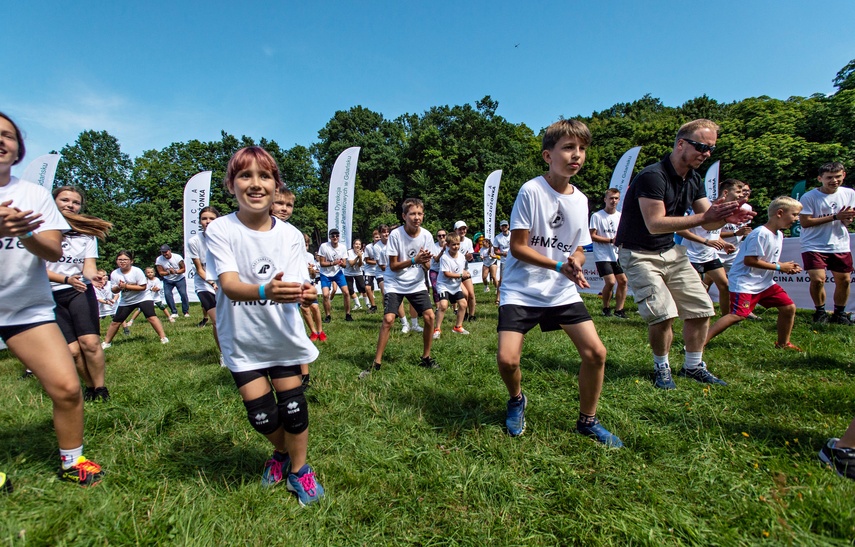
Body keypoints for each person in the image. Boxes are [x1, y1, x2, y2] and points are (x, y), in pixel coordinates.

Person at [204, 146, 324, 505]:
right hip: (242, 340)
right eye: (245, 175)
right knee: (261, 416)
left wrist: (305, 293)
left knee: (293, 408)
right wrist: (265, 289)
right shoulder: (220, 230)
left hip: (281, 337)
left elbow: (299, 284)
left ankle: (299, 472)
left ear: (275, 186)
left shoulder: (290, 235)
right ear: (231, 184)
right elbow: (227, 285)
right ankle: (282, 452)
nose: (255, 184)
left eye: (264, 176)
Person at [497, 119, 621, 446]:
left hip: (559, 290)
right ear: (547, 156)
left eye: (581, 149)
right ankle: (516, 399)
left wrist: (575, 263)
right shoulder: (531, 190)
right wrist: (557, 264)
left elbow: (580, 248)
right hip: (521, 288)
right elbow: (518, 247)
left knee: (596, 353)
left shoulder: (581, 201)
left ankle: (587, 421)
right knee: (507, 360)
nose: (576, 155)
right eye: (568, 148)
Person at [0, 111, 104, 486]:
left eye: (8, 136)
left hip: (25, 308)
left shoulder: (33, 195)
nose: (1, 141)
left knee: (66, 386)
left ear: (18, 150)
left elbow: (51, 251)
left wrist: (23, 232)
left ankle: (72, 461)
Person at [614, 119, 754, 390]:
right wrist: (707, 216)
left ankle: (693, 365)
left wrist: (726, 216)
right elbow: (655, 223)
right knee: (663, 314)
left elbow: (709, 223)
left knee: (702, 308)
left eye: (711, 148)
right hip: (639, 253)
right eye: (702, 146)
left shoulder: (694, 178)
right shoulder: (652, 176)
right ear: (681, 144)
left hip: (670, 251)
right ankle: (661, 367)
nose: (707, 153)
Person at [705, 197, 803, 349]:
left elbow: (766, 260)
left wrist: (785, 267)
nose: (796, 219)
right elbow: (749, 261)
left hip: (764, 283)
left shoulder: (779, 234)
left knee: (788, 308)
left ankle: (783, 343)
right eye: (794, 215)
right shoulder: (760, 234)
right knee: (737, 315)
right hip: (745, 282)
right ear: (780, 213)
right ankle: (699, 342)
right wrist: (779, 267)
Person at [46, 186, 113, 402]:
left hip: (80, 291)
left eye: (75, 202)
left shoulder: (86, 235)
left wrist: (93, 277)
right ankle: (89, 386)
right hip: (50, 294)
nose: (70, 205)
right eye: (64, 200)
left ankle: (101, 389)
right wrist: (65, 279)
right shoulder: (42, 230)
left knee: (90, 343)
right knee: (73, 351)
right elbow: (37, 268)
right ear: (53, 201)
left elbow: (89, 267)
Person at [361, 198, 437, 378]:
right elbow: (393, 266)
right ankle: (376, 363)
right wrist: (414, 260)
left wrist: (425, 262)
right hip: (394, 281)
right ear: (404, 216)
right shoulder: (395, 235)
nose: (416, 217)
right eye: (412, 214)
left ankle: (426, 357)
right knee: (388, 319)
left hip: (416, 283)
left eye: (419, 213)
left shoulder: (426, 235)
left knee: (429, 317)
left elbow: (428, 266)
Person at [798, 161, 855, 325]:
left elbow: (846, 221)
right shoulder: (809, 197)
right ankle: (820, 312)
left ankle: (839, 314)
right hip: (814, 243)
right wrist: (835, 217)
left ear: (843, 175)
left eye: (838, 177)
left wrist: (847, 219)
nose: (834, 181)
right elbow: (805, 222)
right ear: (820, 178)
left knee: (844, 280)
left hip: (839, 242)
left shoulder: (849, 193)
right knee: (818, 280)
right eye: (829, 177)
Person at [676, 179, 741, 314]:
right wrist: (706, 242)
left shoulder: (725, 212)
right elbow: (681, 230)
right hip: (691, 256)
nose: (741, 195)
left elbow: (713, 233)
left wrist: (724, 244)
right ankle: (689, 315)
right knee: (695, 290)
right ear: (725, 192)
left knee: (725, 285)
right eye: (738, 191)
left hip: (710, 256)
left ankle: (726, 317)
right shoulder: (704, 209)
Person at [102, 251, 169, 348]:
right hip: (126, 300)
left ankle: (163, 338)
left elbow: (143, 287)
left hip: (143, 297)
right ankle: (106, 343)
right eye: (120, 260)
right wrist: (119, 287)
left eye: (125, 259)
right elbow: (114, 290)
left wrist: (126, 286)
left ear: (131, 261)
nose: (122, 262)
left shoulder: (137, 271)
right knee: (116, 321)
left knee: (151, 317)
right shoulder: (114, 274)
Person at [187, 206, 222, 362]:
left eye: (211, 218)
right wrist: (212, 283)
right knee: (217, 321)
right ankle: (224, 355)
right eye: (204, 218)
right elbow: (199, 269)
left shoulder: (225, 238)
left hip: (224, 282)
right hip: (205, 284)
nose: (208, 222)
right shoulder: (194, 241)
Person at [589, 188, 628, 318]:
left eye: (616, 198)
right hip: (602, 254)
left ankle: (619, 310)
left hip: (617, 254)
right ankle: (606, 307)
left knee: (623, 281)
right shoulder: (597, 216)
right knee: (610, 282)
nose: (613, 201)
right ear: (605, 199)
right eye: (611, 198)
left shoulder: (620, 216)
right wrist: (610, 240)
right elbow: (592, 236)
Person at [434, 232, 469, 338]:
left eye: (458, 244)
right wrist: (461, 275)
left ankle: (458, 327)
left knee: (463, 304)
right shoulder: (445, 257)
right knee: (443, 305)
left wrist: (466, 273)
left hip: (455, 285)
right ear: (448, 245)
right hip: (444, 285)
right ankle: (437, 329)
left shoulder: (462, 257)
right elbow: (447, 274)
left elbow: (461, 269)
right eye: (453, 244)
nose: (456, 246)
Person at [317, 228, 353, 323]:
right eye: (333, 235)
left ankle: (348, 314)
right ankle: (328, 315)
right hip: (325, 273)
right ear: (330, 237)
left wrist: (340, 263)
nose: (335, 237)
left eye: (337, 235)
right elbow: (322, 263)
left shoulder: (342, 247)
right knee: (325, 295)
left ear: (339, 236)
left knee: (346, 292)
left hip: (337, 272)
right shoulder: (324, 246)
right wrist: (333, 263)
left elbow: (345, 265)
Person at [300, 233, 326, 343]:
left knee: (315, 307)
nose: (304, 247)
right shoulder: (291, 255)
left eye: (306, 245)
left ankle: (320, 331)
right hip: (298, 285)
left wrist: (311, 271)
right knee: (304, 308)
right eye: (302, 244)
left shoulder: (310, 256)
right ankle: (313, 331)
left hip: (308, 284)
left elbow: (313, 275)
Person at [155, 244, 190, 318]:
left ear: (170, 250)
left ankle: (185, 311)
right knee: (168, 295)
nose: (164, 254)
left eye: (166, 252)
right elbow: (160, 272)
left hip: (179, 278)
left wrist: (175, 271)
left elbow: (183, 269)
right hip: (168, 280)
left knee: (183, 294)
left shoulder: (177, 257)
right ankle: (174, 312)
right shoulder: (159, 259)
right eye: (162, 252)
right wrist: (168, 272)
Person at [453, 220, 477, 321]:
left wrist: (469, 258)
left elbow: (470, 258)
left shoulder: (468, 241)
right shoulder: (452, 241)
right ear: (455, 230)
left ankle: (472, 315)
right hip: (456, 272)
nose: (462, 231)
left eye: (464, 229)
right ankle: (464, 313)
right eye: (460, 229)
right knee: (465, 294)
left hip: (465, 271)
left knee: (471, 294)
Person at [344, 239, 369, 311]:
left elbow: (360, 265)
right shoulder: (349, 252)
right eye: (356, 244)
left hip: (358, 272)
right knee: (350, 289)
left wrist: (360, 257)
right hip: (348, 272)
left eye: (359, 244)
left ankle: (367, 304)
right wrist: (358, 257)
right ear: (353, 245)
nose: (357, 246)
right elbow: (351, 264)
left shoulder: (362, 253)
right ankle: (357, 304)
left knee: (362, 287)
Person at [362, 229, 381, 312]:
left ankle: (388, 306)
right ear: (373, 238)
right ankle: (373, 306)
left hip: (380, 270)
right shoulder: (369, 247)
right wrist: (377, 262)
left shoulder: (383, 246)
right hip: (369, 270)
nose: (378, 238)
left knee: (384, 289)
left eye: (380, 237)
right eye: (376, 237)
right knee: (367, 288)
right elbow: (367, 260)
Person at [493, 220, 511, 305]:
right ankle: (498, 298)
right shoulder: (498, 238)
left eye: (505, 226)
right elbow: (496, 251)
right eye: (502, 226)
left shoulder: (513, 234)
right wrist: (502, 253)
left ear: (508, 226)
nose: (504, 227)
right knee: (502, 279)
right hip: (504, 260)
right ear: (500, 227)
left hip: (514, 259)